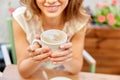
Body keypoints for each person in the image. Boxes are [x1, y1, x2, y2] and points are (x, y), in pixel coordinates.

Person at [12, 0, 90, 78]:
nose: (51, 1)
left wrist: (66, 57)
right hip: (36, 75)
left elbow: (75, 69)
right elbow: (23, 73)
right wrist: (35, 59)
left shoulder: (78, 21)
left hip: (62, 74)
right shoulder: (22, 17)